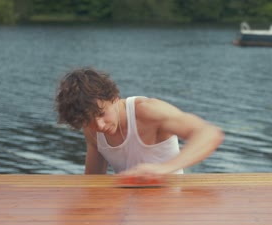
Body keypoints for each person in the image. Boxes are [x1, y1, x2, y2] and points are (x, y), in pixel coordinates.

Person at [55, 67, 224, 180]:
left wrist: (164, 169)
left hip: (171, 204)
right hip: (126, 210)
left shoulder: (147, 111)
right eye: (89, 120)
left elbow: (209, 133)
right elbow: (93, 179)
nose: (99, 126)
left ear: (114, 98)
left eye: (101, 113)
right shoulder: (91, 130)